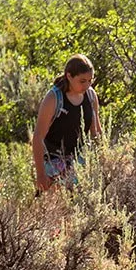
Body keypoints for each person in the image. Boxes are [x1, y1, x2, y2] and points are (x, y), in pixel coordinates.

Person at [32, 54, 102, 192]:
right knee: (58, 209)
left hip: (79, 161)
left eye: (90, 81)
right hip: (52, 164)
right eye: (82, 81)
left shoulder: (91, 96)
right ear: (69, 76)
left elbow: (97, 133)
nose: (87, 85)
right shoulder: (53, 98)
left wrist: (103, 161)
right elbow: (38, 137)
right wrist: (40, 175)